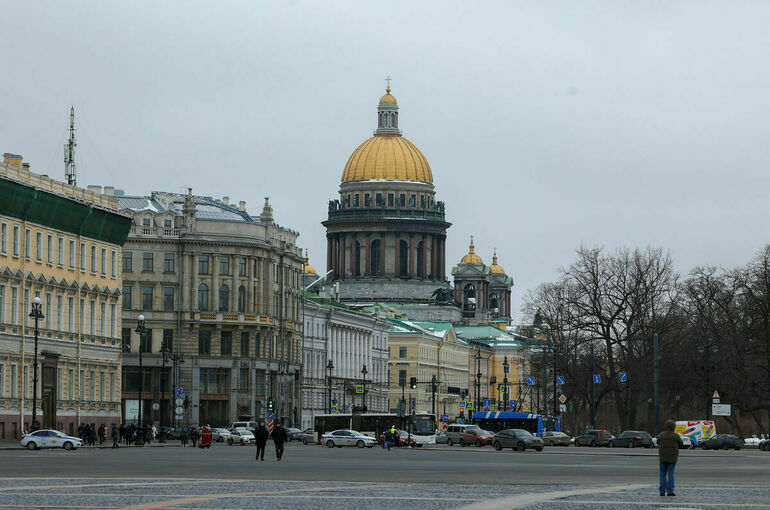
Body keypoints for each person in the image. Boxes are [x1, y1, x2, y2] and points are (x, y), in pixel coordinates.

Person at [656, 420, 683, 496]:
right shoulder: (675, 436)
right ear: (674, 427)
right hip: (672, 458)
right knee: (671, 473)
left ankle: (662, 491)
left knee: (662, 474)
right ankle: (670, 491)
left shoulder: (662, 435)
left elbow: (658, 442)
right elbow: (681, 443)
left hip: (663, 457)